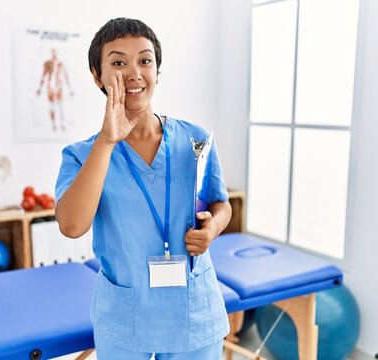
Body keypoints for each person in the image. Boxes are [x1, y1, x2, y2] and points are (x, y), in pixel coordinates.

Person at [55, 18, 232, 359]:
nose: (134, 73)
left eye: (145, 60)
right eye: (118, 62)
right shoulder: (81, 155)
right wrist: (107, 141)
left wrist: (213, 228)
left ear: (157, 70)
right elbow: (72, 226)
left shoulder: (194, 138)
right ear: (97, 75)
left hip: (194, 313)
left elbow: (220, 203)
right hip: (125, 318)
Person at [36, 48, 73, 131]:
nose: (54, 55)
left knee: (60, 106)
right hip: (51, 87)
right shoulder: (47, 63)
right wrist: (40, 88)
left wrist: (70, 88)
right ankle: (53, 124)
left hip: (59, 87)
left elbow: (66, 76)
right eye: (53, 53)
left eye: (55, 53)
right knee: (52, 106)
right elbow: (43, 75)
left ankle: (62, 123)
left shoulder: (60, 64)